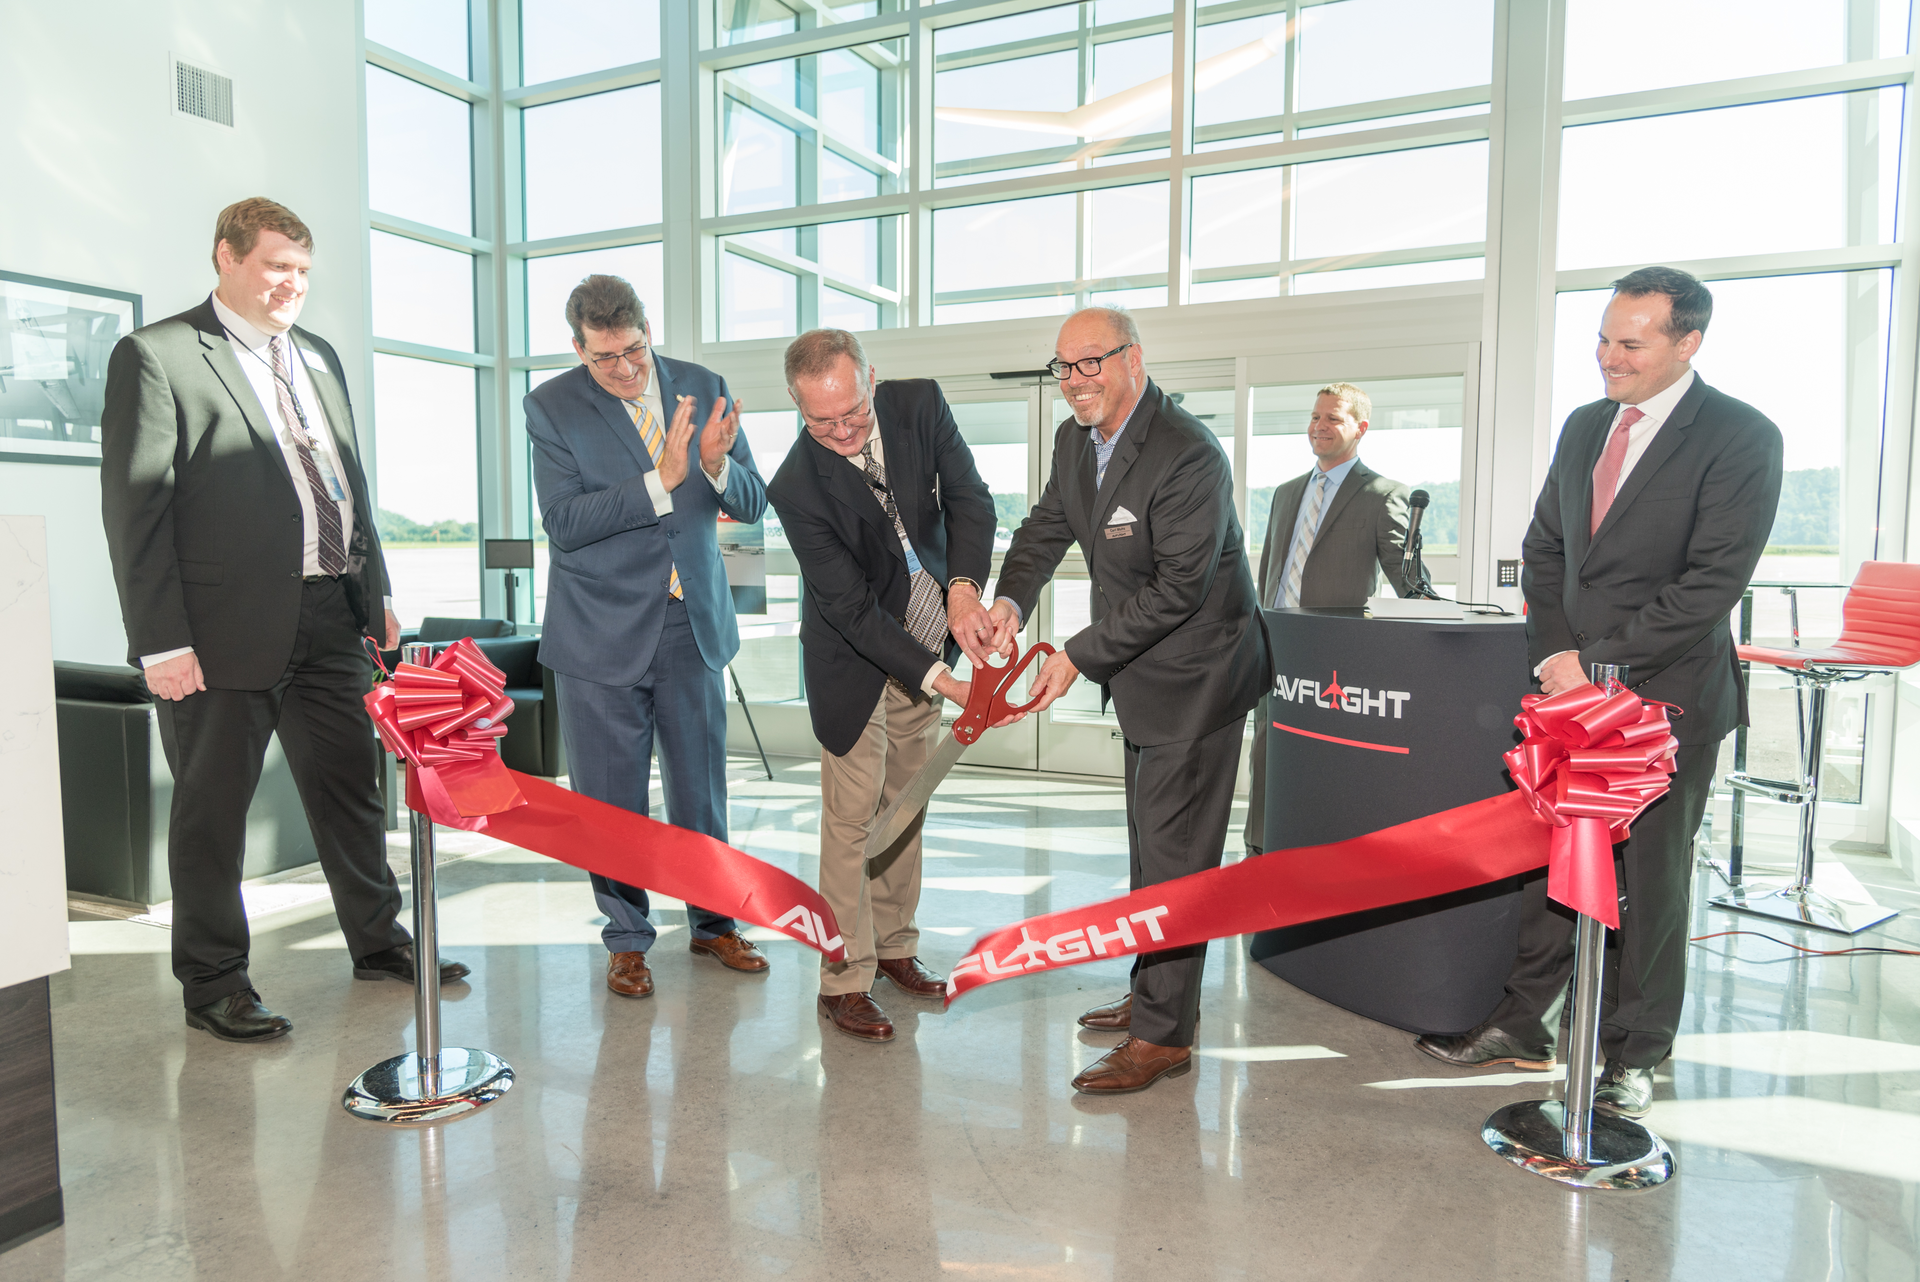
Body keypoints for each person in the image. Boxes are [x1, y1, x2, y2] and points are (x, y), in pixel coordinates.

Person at [1415, 267, 1783, 1117]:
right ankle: (1521, 1025)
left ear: (1687, 343)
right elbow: (1545, 547)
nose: (1608, 358)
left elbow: (1711, 583)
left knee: (1650, 883)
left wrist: (1600, 660)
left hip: (1667, 698)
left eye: (1631, 343)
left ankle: (1633, 1054)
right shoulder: (1586, 427)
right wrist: (1556, 655)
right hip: (1569, 690)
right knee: (1550, 861)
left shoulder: (1740, 435)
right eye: (1603, 338)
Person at [99, 196, 468, 1043]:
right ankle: (214, 980)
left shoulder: (319, 357)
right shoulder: (157, 356)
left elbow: (348, 486)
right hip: (218, 632)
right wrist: (160, 642)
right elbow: (137, 512)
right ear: (225, 257)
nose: (290, 285)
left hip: (333, 615)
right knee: (211, 814)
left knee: (350, 794)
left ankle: (378, 942)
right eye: (275, 266)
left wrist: (375, 594)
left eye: (301, 271)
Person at [987, 307, 1270, 1093]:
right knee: (1153, 845)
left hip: (1197, 680)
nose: (1077, 381)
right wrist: (1013, 602)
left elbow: (1178, 590)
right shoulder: (1075, 440)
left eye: (1092, 363)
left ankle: (1164, 1035)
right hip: (1142, 677)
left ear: (1133, 360)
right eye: (1064, 367)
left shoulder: (1188, 454)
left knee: (1178, 859)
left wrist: (1075, 655)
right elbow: (1047, 525)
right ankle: (1156, 987)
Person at [525, 275, 770, 1000]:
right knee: (610, 802)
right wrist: (659, 480)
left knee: (701, 791)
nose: (626, 370)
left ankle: (714, 923)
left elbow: (754, 501)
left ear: (647, 330)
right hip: (597, 633)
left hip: (688, 625)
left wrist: (719, 464)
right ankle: (627, 938)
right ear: (578, 348)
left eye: (634, 350)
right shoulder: (552, 406)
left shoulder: (703, 384)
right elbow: (564, 523)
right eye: (605, 359)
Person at [766, 329, 1001, 1043]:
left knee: (906, 805)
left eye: (854, 415)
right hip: (854, 659)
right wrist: (942, 681)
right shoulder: (796, 486)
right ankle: (844, 977)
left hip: (930, 631)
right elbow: (849, 609)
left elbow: (971, 500)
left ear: (871, 377)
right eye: (821, 422)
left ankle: (895, 947)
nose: (841, 433)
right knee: (851, 821)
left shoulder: (918, 406)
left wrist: (963, 590)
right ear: (797, 406)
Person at [1243, 381, 1409, 857]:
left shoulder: (1382, 494)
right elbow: (1272, 568)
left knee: (1326, 753)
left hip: (1337, 653)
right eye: (1315, 417)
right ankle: (1261, 842)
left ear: (1361, 427)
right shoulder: (1285, 492)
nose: (1319, 427)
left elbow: (1406, 581)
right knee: (1267, 747)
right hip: (1276, 644)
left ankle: (1322, 847)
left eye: (1332, 418)